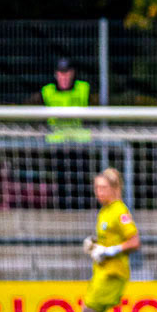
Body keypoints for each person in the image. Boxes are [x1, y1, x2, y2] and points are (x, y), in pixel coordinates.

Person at [63, 168, 146, 312]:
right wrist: (95, 247)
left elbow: (134, 241)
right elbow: (108, 243)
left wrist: (110, 251)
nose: (98, 192)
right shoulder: (104, 212)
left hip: (112, 275)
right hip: (101, 272)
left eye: (103, 187)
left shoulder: (119, 211)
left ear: (115, 188)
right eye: (96, 188)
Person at [42, 56, 93, 210]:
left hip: (79, 143)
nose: (64, 77)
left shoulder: (83, 88)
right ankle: (63, 211)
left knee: (81, 181)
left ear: (72, 73)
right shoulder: (47, 91)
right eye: (61, 73)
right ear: (56, 74)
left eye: (67, 73)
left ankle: (82, 210)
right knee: (61, 181)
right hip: (57, 144)